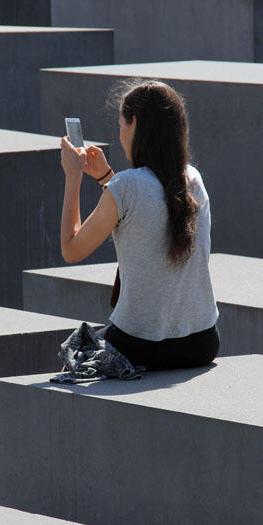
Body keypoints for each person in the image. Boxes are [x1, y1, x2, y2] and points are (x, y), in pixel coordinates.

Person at [60, 79, 219, 371]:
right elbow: (150, 210)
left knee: (73, 351)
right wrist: (106, 177)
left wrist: (73, 176)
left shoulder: (126, 187)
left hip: (140, 346)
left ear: (135, 124)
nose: (120, 133)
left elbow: (71, 250)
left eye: (121, 124)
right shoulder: (193, 179)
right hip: (201, 344)